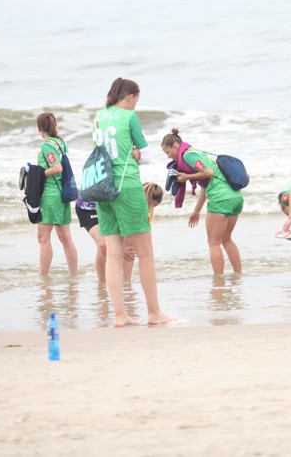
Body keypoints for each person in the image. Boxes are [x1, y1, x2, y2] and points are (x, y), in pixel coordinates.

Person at [93, 78, 171, 327]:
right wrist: (137, 154)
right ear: (129, 97)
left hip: (102, 188)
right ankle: (154, 313)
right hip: (127, 186)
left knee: (113, 255)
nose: (136, 104)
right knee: (145, 254)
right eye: (136, 99)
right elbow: (146, 155)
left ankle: (120, 315)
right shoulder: (129, 117)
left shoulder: (99, 116)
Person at [161, 129, 243, 275]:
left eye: (168, 152)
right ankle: (238, 275)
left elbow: (209, 173)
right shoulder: (197, 154)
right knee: (226, 239)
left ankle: (218, 280)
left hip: (220, 198)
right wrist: (197, 211)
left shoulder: (188, 155)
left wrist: (187, 177)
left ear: (175, 146)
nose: (168, 156)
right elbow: (206, 184)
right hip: (235, 197)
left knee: (213, 243)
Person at [34, 113, 79, 276]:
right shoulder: (61, 143)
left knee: (43, 238)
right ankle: (73, 275)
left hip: (51, 194)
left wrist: (39, 174)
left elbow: (57, 168)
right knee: (65, 237)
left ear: (39, 128)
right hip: (63, 193)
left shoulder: (47, 145)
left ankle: (43, 276)